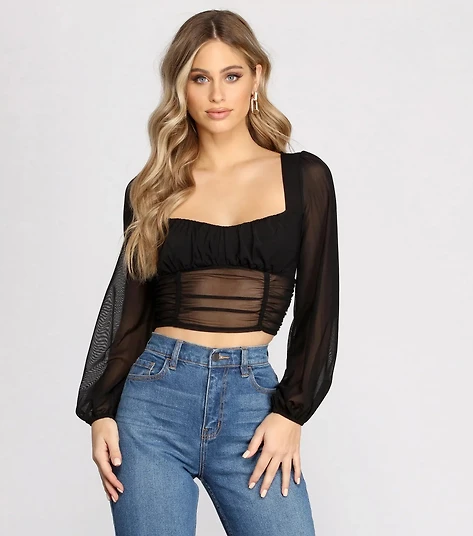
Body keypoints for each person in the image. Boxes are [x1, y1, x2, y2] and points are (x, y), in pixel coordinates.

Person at [75, 9, 339, 536]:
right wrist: (102, 409)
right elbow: (131, 312)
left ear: (256, 77)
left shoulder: (304, 177)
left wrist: (292, 412)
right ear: (181, 88)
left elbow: (319, 305)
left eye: (231, 75)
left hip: (251, 404)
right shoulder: (150, 189)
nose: (217, 94)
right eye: (200, 78)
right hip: (151, 404)